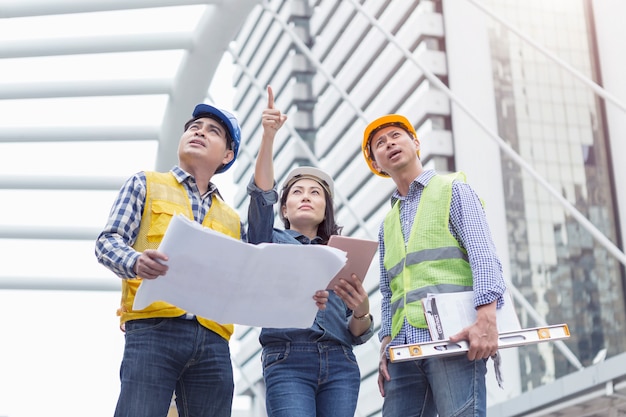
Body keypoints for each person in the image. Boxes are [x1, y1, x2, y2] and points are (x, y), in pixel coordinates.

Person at [95, 103, 243, 417]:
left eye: (212, 131)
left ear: (227, 156)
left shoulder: (233, 219)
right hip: (153, 330)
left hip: (214, 341)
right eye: (194, 127)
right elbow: (107, 242)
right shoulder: (144, 184)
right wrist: (135, 261)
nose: (199, 131)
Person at [361, 114, 507, 417]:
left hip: (452, 339)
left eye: (396, 136)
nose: (389, 143)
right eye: (380, 143)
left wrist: (487, 319)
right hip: (403, 351)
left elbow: (483, 255)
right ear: (376, 164)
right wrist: (386, 344)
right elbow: (389, 293)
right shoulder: (387, 224)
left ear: (415, 143)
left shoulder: (452, 189)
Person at [247, 85, 374, 417]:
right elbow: (262, 195)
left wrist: (361, 309)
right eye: (297, 192)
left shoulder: (344, 254)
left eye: (315, 193)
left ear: (325, 208)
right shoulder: (269, 240)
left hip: (341, 361)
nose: (306, 196)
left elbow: (358, 333)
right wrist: (269, 136)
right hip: (288, 359)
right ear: (284, 208)